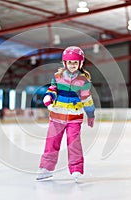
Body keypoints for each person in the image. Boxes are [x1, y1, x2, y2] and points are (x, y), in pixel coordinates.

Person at [36, 46, 95, 182]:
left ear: (80, 64)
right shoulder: (57, 77)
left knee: (73, 144)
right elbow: (52, 89)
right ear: (64, 63)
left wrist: (90, 114)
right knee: (51, 142)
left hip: (74, 117)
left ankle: (76, 169)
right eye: (69, 62)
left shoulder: (83, 81)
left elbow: (87, 99)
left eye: (75, 62)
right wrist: (48, 96)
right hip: (57, 116)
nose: (72, 65)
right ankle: (46, 168)